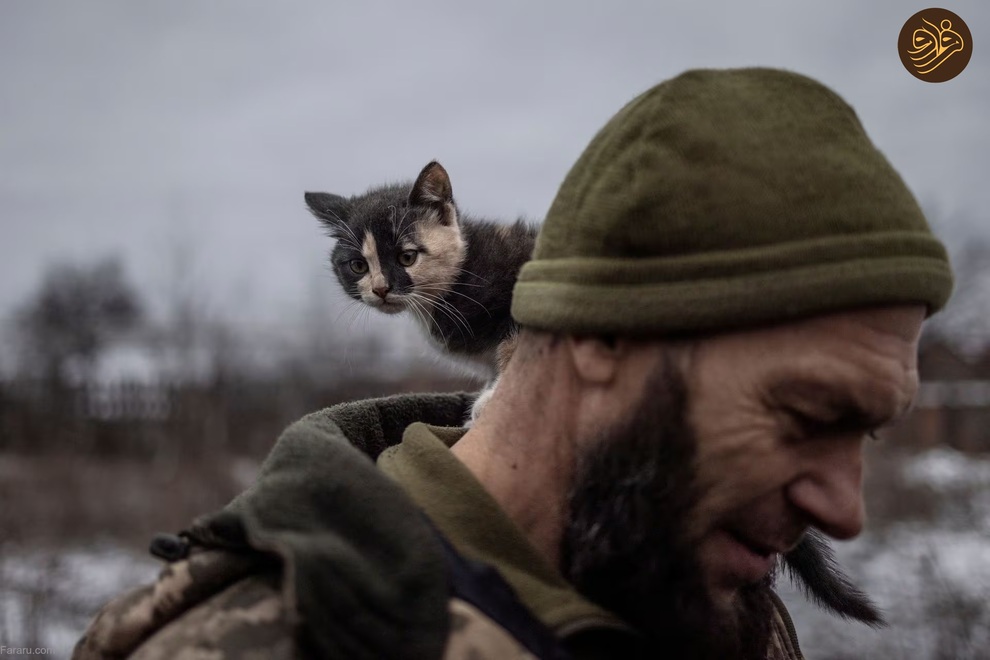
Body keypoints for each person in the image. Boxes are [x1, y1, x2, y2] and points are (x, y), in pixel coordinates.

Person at [73, 67, 953, 660]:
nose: (847, 509)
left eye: (866, 432)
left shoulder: (718, 600)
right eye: (804, 415)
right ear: (601, 336)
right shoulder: (257, 639)